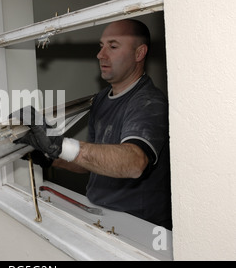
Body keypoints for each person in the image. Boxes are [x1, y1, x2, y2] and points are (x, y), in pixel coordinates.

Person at [13, 19, 172, 229]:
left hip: (138, 225)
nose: (101, 55)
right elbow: (92, 165)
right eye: (101, 46)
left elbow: (135, 163)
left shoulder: (149, 102)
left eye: (113, 47)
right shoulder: (102, 98)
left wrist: (59, 145)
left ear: (139, 53)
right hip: (98, 214)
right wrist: (48, 156)